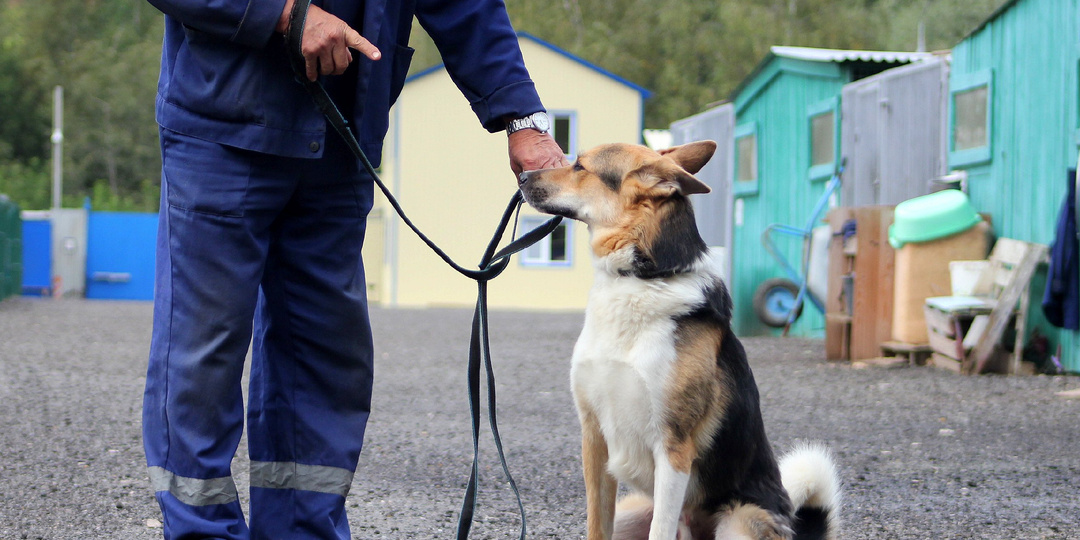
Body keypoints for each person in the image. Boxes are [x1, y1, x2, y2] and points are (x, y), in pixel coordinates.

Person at [140, 0, 569, 538]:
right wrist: (284, 14)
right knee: (202, 355)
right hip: (223, 129)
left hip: (341, 142)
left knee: (325, 359)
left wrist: (520, 117)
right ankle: (201, 532)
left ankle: (303, 531)